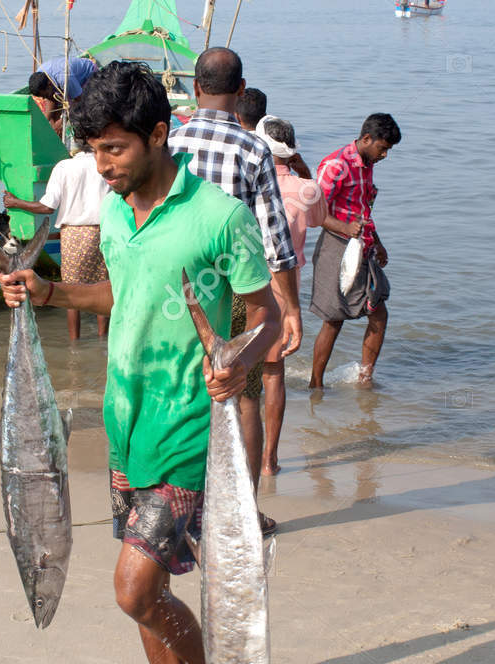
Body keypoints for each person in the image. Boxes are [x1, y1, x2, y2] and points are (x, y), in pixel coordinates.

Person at [0, 60, 279, 664]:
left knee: (133, 588)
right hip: (125, 425)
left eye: (115, 149)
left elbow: (265, 318)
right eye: (94, 151)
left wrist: (238, 363)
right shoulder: (118, 211)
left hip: (189, 431)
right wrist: (51, 289)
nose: (103, 165)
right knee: (149, 598)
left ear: (159, 134)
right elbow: (121, 294)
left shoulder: (221, 217)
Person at [168, 47, 301, 491]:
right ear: (241, 90)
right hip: (240, 293)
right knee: (244, 397)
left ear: (194, 87)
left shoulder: (170, 143)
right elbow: (274, 240)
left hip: (181, 292)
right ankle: (245, 508)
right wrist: (291, 309)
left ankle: (180, 493)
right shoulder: (254, 149)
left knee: (183, 389)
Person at [308, 113, 399, 390]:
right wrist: (346, 228)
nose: (384, 155)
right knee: (334, 320)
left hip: (363, 246)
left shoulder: (367, 164)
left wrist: (378, 242)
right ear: (366, 139)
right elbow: (313, 212)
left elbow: (363, 211)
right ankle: (316, 385)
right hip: (337, 246)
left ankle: (365, 378)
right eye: (382, 148)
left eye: (388, 150)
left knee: (378, 313)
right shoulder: (336, 165)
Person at [257, 114, 324, 474]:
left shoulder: (249, 185)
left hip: (246, 282)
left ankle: (239, 450)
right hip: (286, 288)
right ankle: (270, 459)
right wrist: (304, 170)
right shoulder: (307, 189)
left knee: (236, 370)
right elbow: (316, 217)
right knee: (273, 374)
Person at [2, 147, 110, 339]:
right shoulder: (104, 163)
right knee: (103, 287)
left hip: (74, 234)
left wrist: (16, 203)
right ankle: (103, 341)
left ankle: (74, 344)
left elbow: (47, 206)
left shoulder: (64, 166)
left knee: (70, 292)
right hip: (104, 230)